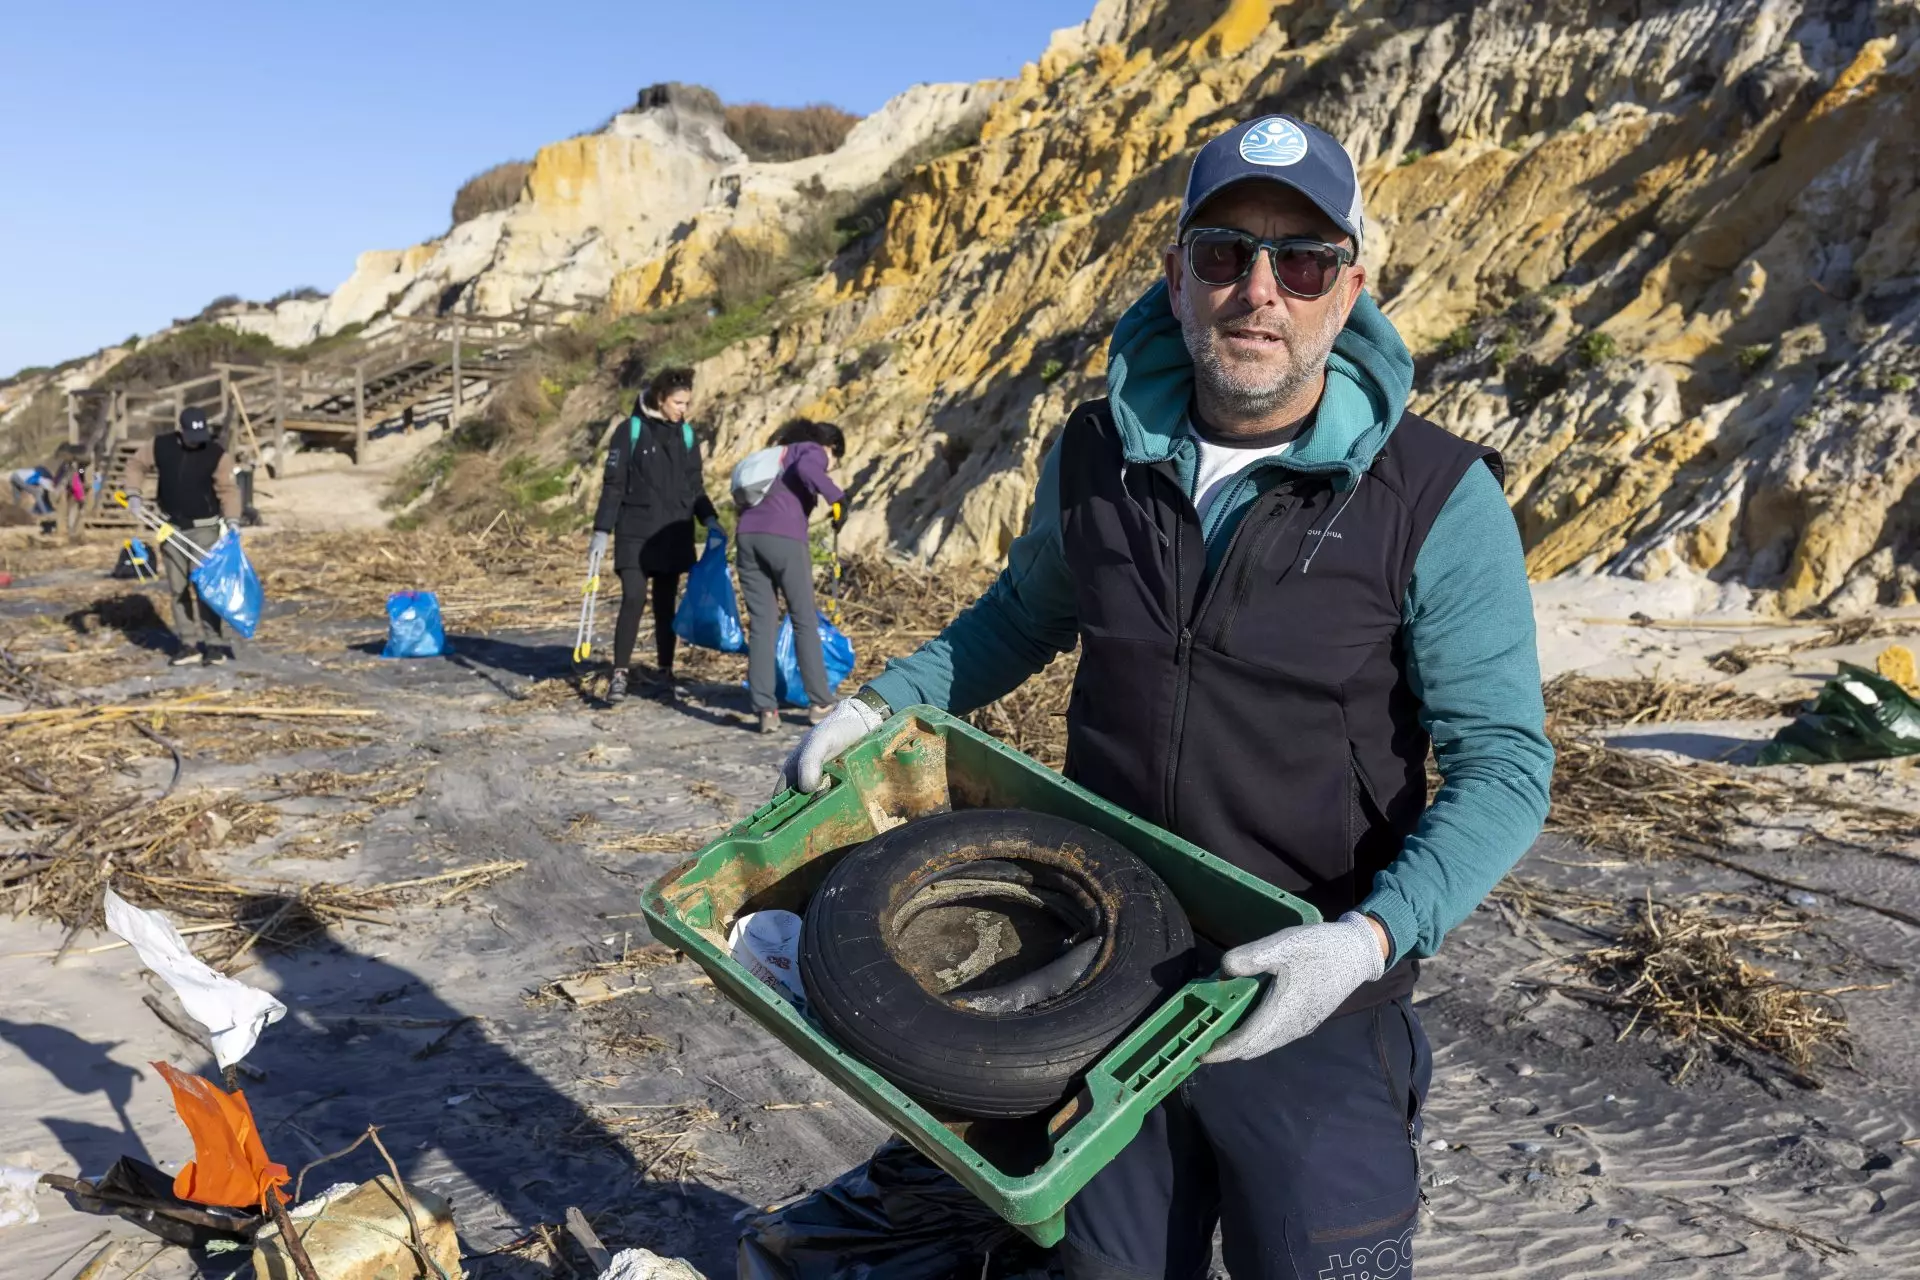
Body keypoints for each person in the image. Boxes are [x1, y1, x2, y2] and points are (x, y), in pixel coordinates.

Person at [785, 115, 1553, 1278]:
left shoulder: (1436, 495)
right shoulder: (1097, 450)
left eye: (1302, 261)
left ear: (1351, 288)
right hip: (1110, 970)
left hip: (1317, 993)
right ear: (1176, 274)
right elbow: (1021, 617)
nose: (1260, 291)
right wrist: (879, 707)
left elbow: (1505, 765)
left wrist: (1368, 938)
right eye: (1224, 253)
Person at [590, 366, 717, 702]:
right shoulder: (629, 431)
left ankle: (665, 671)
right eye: (678, 403)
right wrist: (601, 530)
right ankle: (620, 673)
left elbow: (695, 486)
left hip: (672, 533)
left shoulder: (686, 435)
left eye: (686, 403)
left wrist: (710, 519)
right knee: (633, 597)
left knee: (666, 604)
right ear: (661, 399)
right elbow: (613, 485)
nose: (683, 410)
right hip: (634, 532)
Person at [736, 418, 847, 733]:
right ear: (831, 447)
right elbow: (809, 470)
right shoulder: (811, 451)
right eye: (835, 460)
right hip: (784, 539)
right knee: (803, 619)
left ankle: (766, 709)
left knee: (762, 623)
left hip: (747, 537)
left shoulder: (776, 456)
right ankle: (820, 703)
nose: (830, 465)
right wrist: (838, 498)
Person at [123, 406, 243, 666]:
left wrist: (233, 519)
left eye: (201, 436)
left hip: (205, 529)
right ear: (181, 431)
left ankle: (214, 644)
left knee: (205, 586)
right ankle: (188, 644)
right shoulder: (160, 446)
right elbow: (136, 464)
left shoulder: (216, 454)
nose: (197, 442)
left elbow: (228, 489)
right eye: (192, 437)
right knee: (178, 588)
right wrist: (133, 493)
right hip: (171, 527)